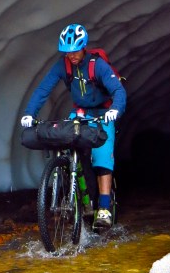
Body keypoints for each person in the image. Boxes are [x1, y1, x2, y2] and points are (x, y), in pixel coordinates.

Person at [20, 23, 126, 230]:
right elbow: (43, 89)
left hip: (103, 113)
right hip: (80, 112)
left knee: (102, 157)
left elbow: (118, 90)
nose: (72, 56)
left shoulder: (97, 65)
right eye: (67, 52)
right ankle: (76, 193)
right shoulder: (63, 66)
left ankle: (103, 207)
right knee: (65, 140)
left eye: (75, 51)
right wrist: (29, 113)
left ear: (84, 47)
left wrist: (115, 110)